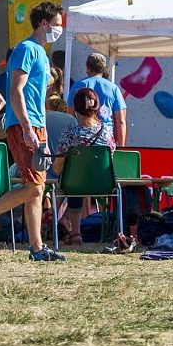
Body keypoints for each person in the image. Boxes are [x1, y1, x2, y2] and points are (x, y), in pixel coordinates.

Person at [0, 1, 66, 262]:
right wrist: (26, 128)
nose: (60, 29)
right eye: (57, 24)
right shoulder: (26, 49)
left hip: (36, 124)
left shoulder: (40, 53)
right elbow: (16, 90)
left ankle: (36, 248)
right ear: (44, 24)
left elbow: (35, 90)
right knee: (34, 187)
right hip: (25, 125)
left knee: (36, 186)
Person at [52, 88, 112, 246]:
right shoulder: (108, 133)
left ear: (76, 109)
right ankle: (77, 232)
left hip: (74, 184)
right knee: (78, 180)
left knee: (72, 181)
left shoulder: (70, 135)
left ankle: (72, 231)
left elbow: (57, 169)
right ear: (97, 107)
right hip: (103, 183)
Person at [67, 53, 127, 147]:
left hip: (81, 139)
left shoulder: (77, 86)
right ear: (103, 68)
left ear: (87, 67)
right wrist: (122, 148)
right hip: (106, 140)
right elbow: (120, 122)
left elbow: (70, 118)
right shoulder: (113, 88)